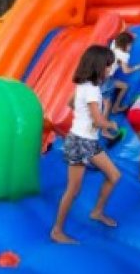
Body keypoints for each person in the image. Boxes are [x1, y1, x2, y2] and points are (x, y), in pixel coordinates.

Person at [50, 45, 122, 244]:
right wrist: (112, 123)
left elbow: (71, 103)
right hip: (81, 141)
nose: (109, 70)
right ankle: (57, 231)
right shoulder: (91, 90)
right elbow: (99, 122)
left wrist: (84, 116)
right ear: (99, 66)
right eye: (108, 66)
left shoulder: (84, 86)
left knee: (114, 175)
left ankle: (97, 212)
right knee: (73, 190)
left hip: (87, 140)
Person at [103, 32, 140, 115]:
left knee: (121, 89)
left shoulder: (114, 44)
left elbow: (121, 35)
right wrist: (139, 67)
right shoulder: (124, 55)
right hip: (106, 79)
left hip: (101, 75)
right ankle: (113, 111)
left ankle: (115, 108)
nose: (130, 47)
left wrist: (131, 36)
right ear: (126, 44)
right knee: (109, 103)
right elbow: (126, 71)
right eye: (130, 45)